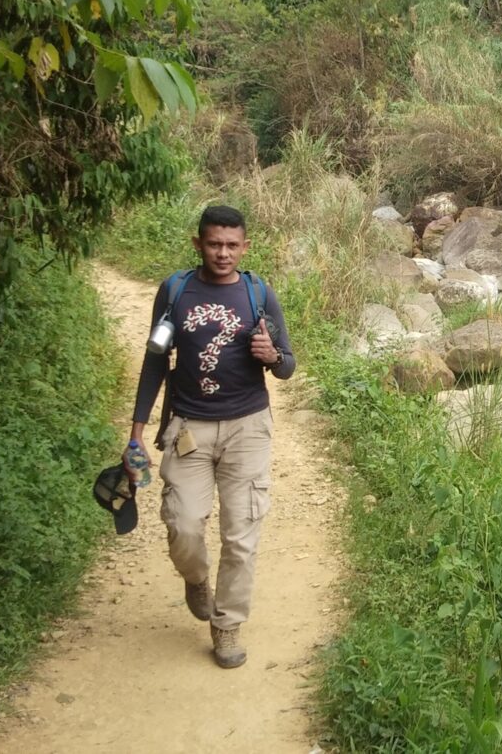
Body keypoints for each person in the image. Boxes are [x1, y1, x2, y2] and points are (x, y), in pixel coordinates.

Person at [128, 204, 295, 668]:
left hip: (248, 428)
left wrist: (272, 356)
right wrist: (137, 431)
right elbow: (156, 360)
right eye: (214, 243)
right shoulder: (175, 290)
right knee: (182, 524)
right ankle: (196, 579)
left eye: (232, 245)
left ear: (245, 246)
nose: (223, 253)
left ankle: (227, 626)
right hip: (188, 427)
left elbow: (287, 365)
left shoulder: (257, 293)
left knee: (241, 536)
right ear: (198, 243)